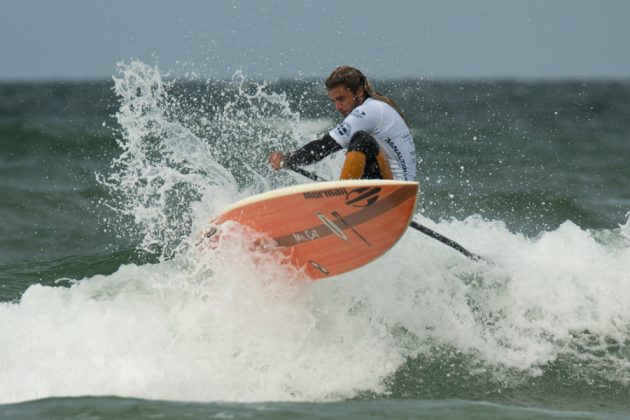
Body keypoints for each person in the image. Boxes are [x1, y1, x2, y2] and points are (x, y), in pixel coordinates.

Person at [268, 66, 416, 181]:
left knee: (361, 140)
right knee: (357, 145)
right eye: (334, 101)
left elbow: (323, 147)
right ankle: (349, 197)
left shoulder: (369, 111)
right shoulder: (377, 107)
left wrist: (287, 159)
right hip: (396, 188)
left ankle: (343, 198)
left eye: (341, 99)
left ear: (359, 92)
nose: (338, 107)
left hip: (395, 191)